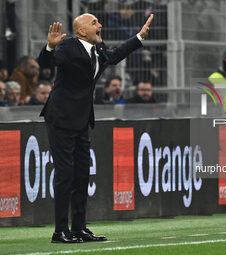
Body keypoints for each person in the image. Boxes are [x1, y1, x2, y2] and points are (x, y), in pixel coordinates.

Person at [38, 13, 154, 243]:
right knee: (65, 175)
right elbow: (48, 64)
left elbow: (115, 55)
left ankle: (79, 227)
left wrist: (139, 38)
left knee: (82, 174)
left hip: (81, 119)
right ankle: (60, 231)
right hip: (61, 118)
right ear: (81, 31)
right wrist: (49, 48)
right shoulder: (69, 46)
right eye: (94, 23)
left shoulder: (98, 49)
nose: (99, 25)